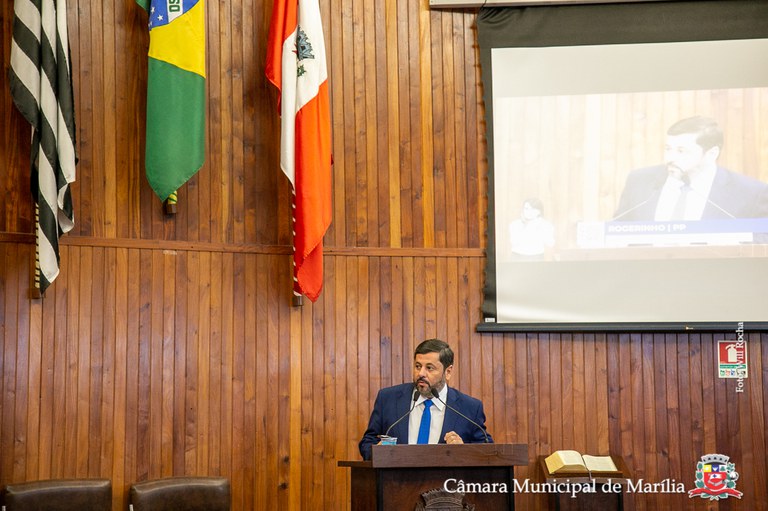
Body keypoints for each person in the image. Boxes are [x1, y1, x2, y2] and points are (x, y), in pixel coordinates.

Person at [358, 339, 493, 461]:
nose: (421, 373)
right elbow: (367, 442)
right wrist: (377, 451)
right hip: (396, 479)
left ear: (448, 372)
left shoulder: (469, 408)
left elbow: (487, 452)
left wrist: (464, 450)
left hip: (447, 480)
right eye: (418, 366)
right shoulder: (388, 399)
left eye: (429, 368)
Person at [614, 116, 768, 221]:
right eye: (668, 149)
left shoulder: (751, 193)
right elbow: (618, 232)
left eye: (681, 151)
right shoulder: (639, 181)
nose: (670, 158)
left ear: (711, 154)